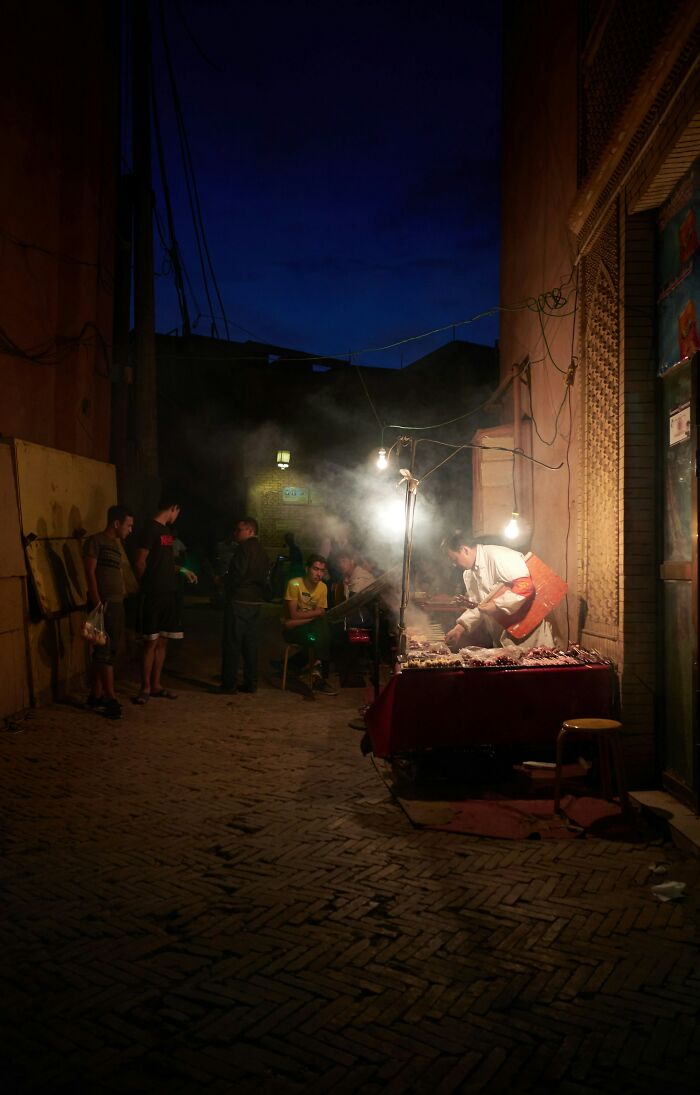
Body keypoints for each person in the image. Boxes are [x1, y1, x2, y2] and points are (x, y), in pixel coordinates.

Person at [132, 499, 198, 704]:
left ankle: (157, 685)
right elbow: (140, 560)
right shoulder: (149, 529)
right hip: (154, 594)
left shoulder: (167, 533)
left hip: (170, 593)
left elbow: (166, 563)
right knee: (150, 641)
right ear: (173, 508)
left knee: (163, 640)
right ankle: (145, 687)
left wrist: (183, 570)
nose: (177, 516)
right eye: (178, 512)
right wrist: (147, 585)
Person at [442, 532, 554, 650]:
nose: (454, 564)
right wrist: (459, 628)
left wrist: (497, 605)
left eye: (454, 559)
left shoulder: (498, 556)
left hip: (529, 633)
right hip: (502, 636)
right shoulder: (468, 574)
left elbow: (525, 586)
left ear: (464, 550)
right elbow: (479, 606)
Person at [82, 504, 134, 720]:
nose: (130, 530)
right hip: (102, 605)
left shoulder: (116, 545)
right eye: (128, 525)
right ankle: (110, 698)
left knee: (108, 652)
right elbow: (90, 573)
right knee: (103, 651)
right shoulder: (95, 541)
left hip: (116, 603)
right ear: (116, 523)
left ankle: (96, 693)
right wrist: (96, 602)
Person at [217, 516, 270, 694]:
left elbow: (237, 574)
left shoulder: (244, 548)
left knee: (232, 643)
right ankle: (250, 683)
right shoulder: (262, 550)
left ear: (250, 531)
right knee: (250, 644)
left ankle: (228, 684)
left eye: (239, 530)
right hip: (255, 602)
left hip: (239, 601)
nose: (235, 533)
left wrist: (225, 583)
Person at [283, 554, 337, 695]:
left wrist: (294, 621)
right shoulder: (295, 583)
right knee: (323, 629)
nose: (319, 574)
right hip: (294, 631)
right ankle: (318, 674)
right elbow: (294, 614)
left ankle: (313, 668)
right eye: (315, 569)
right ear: (307, 569)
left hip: (305, 627)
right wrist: (311, 617)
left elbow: (318, 614)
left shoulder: (323, 587)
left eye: (322, 571)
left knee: (321, 630)